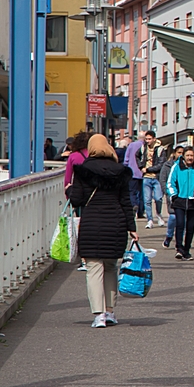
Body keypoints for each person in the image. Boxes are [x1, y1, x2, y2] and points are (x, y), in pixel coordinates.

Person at [66, 134, 137, 328]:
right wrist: (132, 228)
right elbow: (126, 202)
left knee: (94, 268)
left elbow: (77, 200)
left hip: (92, 223)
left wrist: (70, 189)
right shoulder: (121, 171)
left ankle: (99, 315)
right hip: (116, 224)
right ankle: (111, 311)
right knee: (111, 267)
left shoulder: (83, 171)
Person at [63, 130, 92, 273]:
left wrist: (70, 197)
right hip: (96, 196)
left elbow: (67, 180)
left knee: (81, 227)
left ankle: (84, 259)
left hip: (80, 196)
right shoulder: (96, 156)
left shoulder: (74, 157)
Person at [166, 146, 194, 260]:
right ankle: (179, 248)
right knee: (180, 224)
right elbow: (170, 182)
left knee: (190, 227)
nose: (190, 158)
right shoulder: (176, 167)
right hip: (180, 200)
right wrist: (174, 195)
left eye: (191, 155)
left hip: (193, 200)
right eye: (187, 155)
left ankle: (187, 250)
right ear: (183, 157)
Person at [137, 132, 166, 227]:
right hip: (146, 177)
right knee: (147, 200)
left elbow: (161, 164)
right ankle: (150, 220)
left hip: (156, 177)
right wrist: (141, 166)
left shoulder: (160, 149)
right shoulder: (143, 148)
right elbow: (136, 156)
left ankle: (159, 214)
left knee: (158, 198)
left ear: (154, 139)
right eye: (146, 139)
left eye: (149, 139)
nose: (148, 141)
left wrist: (148, 169)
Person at [159, 145, 184, 248]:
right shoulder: (167, 165)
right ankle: (169, 236)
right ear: (174, 153)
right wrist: (168, 192)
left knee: (183, 220)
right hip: (172, 195)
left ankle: (179, 241)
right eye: (179, 152)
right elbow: (163, 179)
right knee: (173, 217)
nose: (181, 155)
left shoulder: (187, 166)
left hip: (184, 195)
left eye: (183, 153)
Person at [123, 134, 145, 219]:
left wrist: (126, 167)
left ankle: (134, 205)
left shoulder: (132, 145)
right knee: (142, 194)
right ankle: (140, 212)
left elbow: (126, 158)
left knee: (132, 191)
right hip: (143, 172)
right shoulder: (145, 146)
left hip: (132, 172)